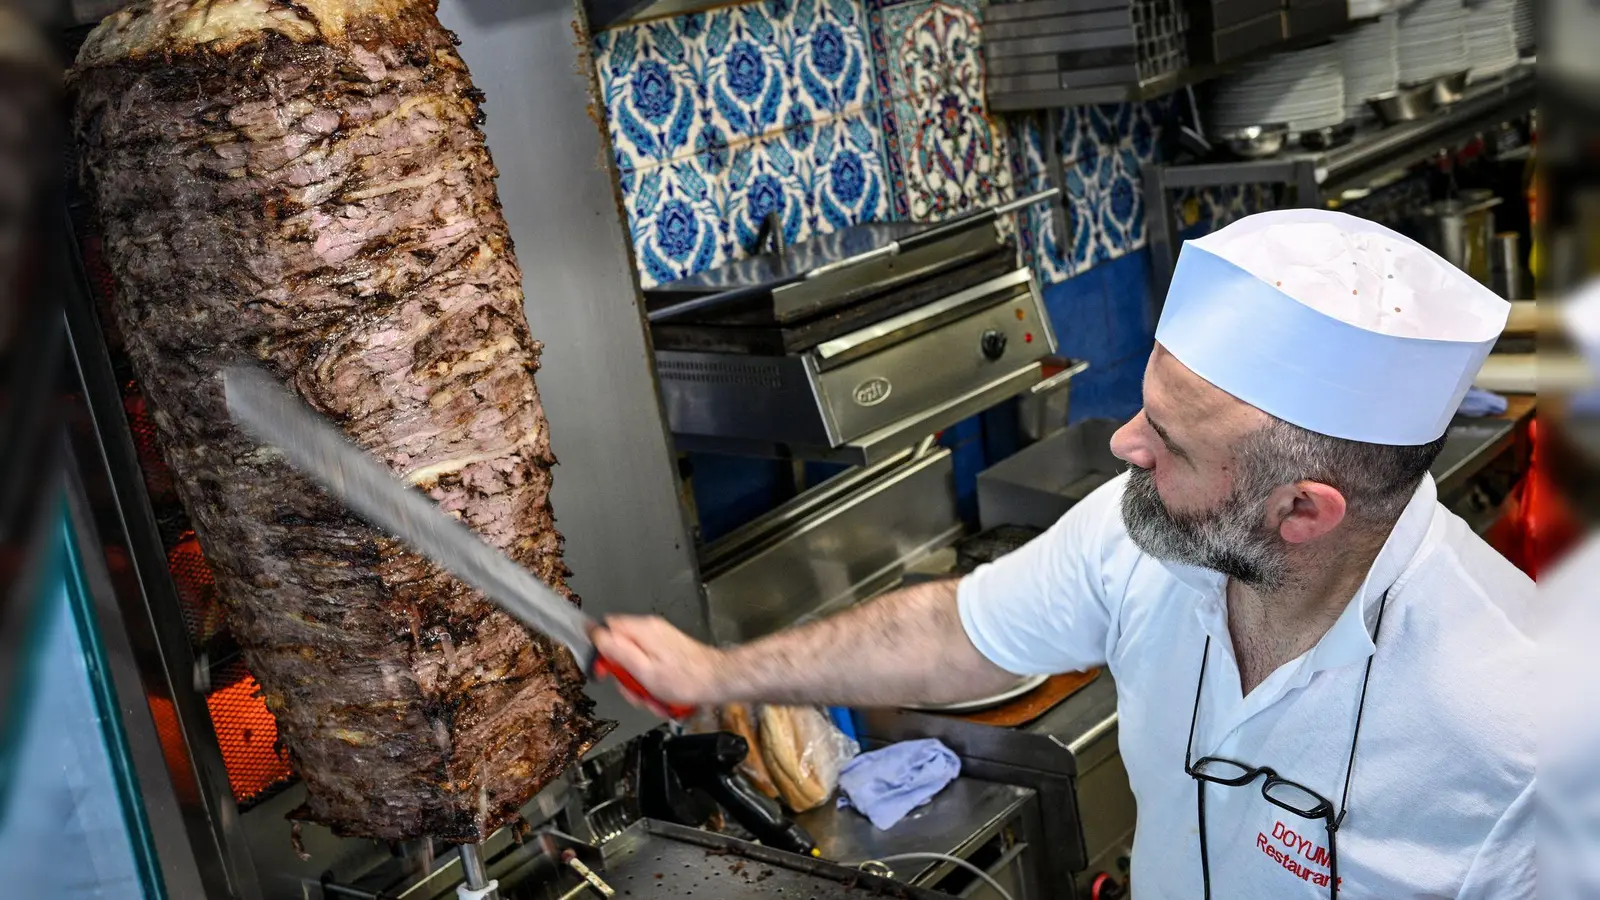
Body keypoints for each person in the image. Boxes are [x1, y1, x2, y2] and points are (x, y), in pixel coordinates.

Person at [593, 209, 1534, 898]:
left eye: (1171, 442)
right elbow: (950, 632)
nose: (1126, 444)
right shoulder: (1135, 537)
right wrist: (720, 670)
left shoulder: (1521, 731)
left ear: (1302, 511)